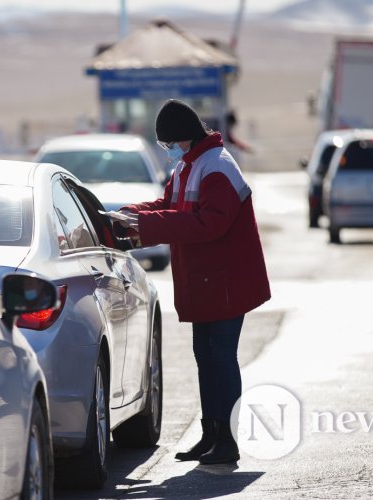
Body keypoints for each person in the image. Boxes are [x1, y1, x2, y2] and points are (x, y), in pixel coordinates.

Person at [118, 99, 270, 465]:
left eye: (168, 144)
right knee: (207, 357)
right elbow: (167, 205)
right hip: (206, 283)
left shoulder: (216, 167)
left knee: (221, 357)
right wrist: (127, 215)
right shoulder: (190, 166)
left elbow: (209, 224)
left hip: (226, 282)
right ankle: (211, 434)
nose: (168, 151)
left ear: (182, 138)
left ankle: (228, 440)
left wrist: (144, 226)